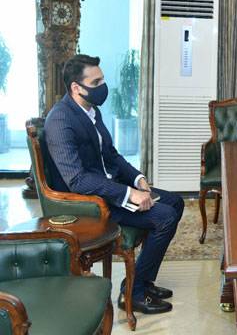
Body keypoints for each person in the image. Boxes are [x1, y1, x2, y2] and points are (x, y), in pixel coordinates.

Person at [45, 54, 184, 314]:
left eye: (102, 80)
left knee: (175, 202)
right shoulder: (60, 121)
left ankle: (142, 280)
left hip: (107, 188)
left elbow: (111, 155)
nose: (103, 87)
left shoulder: (90, 111)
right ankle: (133, 292)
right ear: (76, 87)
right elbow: (76, 180)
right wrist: (129, 194)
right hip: (89, 203)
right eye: (96, 82)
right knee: (164, 217)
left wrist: (138, 178)